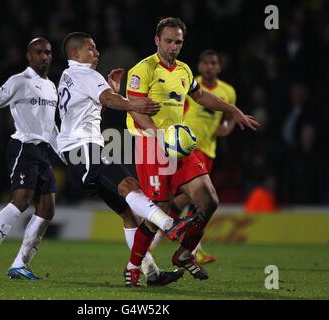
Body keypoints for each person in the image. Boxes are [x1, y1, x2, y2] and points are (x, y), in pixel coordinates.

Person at [125, 17, 259, 286]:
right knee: (158, 213)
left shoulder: (184, 70)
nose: (174, 47)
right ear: (157, 40)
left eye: (178, 42)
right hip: (151, 147)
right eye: (169, 41)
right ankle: (133, 266)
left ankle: (185, 253)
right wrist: (158, 135)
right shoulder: (143, 70)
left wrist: (233, 110)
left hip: (179, 144)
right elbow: (135, 109)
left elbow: (200, 97)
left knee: (209, 201)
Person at [58, 32, 194, 287]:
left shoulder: (67, 75)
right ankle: (169, 223)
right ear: (76, 54)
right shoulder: (87, 75)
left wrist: (111, 91)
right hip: (85, 149)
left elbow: (94, 103)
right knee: (130, 185)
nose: (97, 53)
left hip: (75, 154)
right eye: (91, 49)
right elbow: (107, 100)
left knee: (129, 214)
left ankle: (151, 273)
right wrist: (134, 104)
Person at [0, 38, 59, 280]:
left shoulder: (51, 87)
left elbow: (51, 128)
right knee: (21, 200)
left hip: (42, 151)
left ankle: (20, 264)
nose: (44, 56)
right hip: (23, 147)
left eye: (48, 52)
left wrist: (67, 153)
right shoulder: (19, 81)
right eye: (39, 52)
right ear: (29, 56)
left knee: (47, 208)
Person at [168, 49, 237, 264]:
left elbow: (228, 115)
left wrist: (228, 126)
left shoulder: (228, 91)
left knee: (192, 202)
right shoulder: (189, 83)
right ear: (200, 66)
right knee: (198, 200)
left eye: (214, 63)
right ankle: (187, 246)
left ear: (219, 66)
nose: (210, 67)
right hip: (189, 150)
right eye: (206, 63)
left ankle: (170, 228)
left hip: (209, 150)